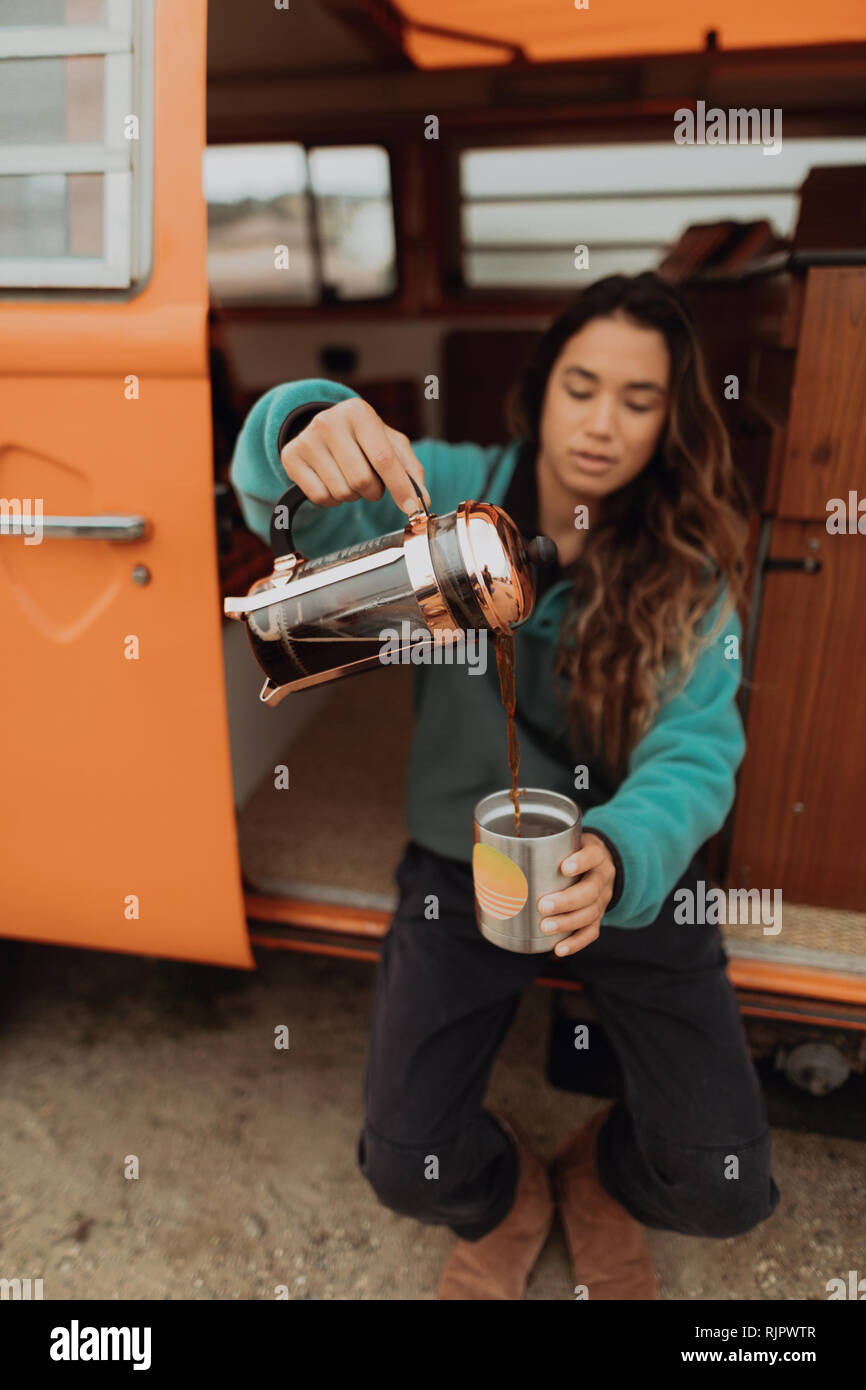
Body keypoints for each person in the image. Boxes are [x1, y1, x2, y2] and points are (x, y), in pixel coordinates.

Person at [229, 272, 780, 1300]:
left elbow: (698, 750)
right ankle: (507, 1192)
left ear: (672, 420)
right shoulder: (439, 491)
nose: (602, 424)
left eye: (638, 398)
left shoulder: (692, 562)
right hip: (459, 858)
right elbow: (279, 516)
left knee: (722, 1188)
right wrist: (298, 427)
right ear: (539, 391)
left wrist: (621, 851)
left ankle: (601, 1174)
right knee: (404, 1163)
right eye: (580, 386)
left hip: (622, 868)